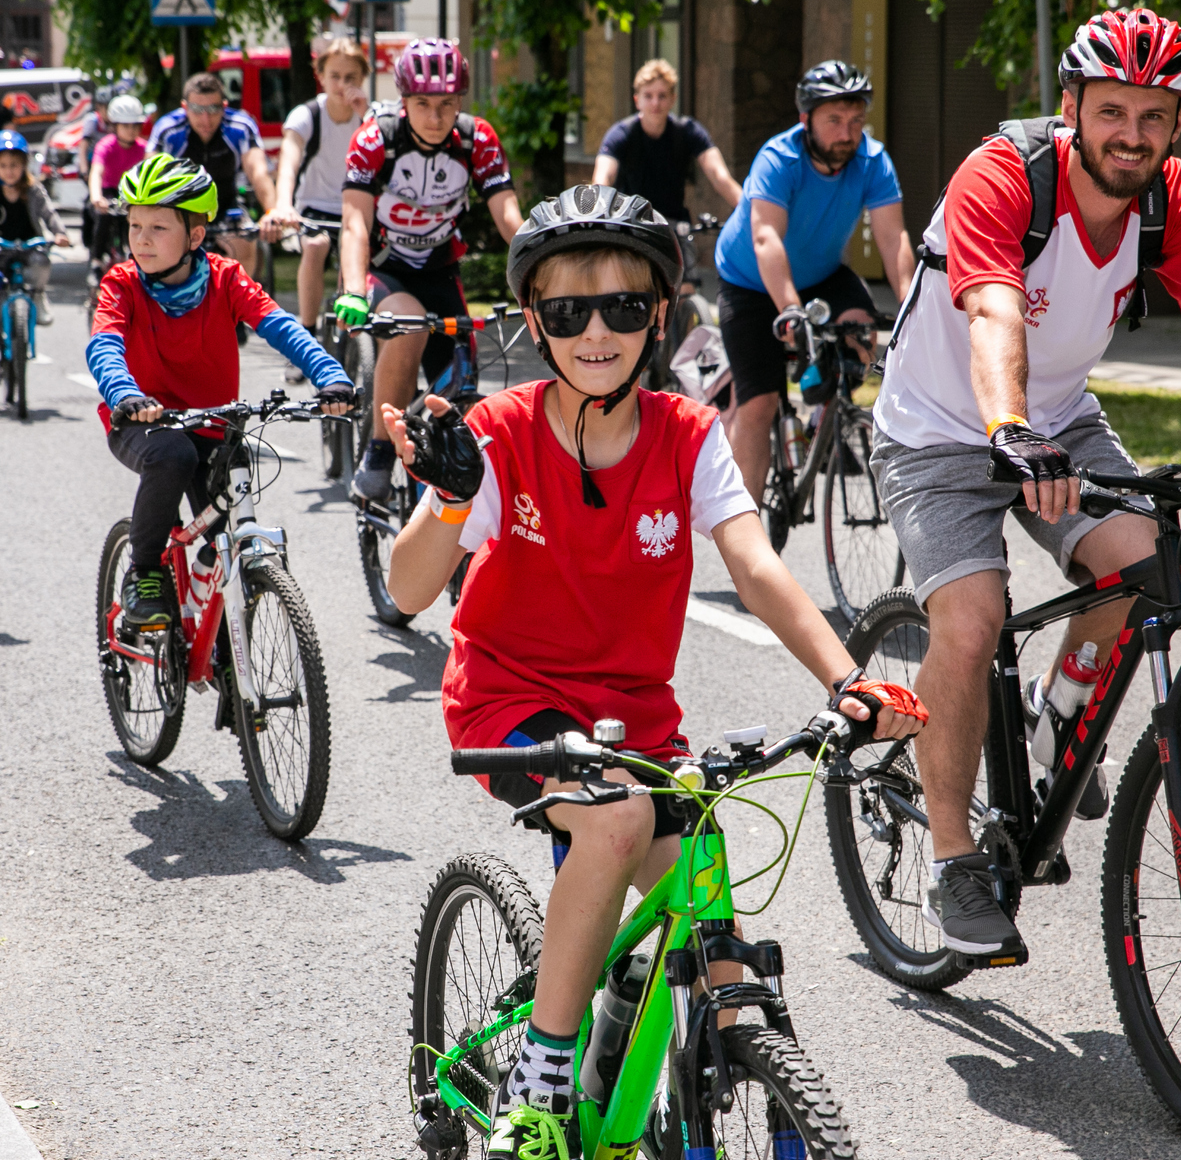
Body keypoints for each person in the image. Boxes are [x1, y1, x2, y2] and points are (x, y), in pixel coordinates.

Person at [378, 184, 928, 1158]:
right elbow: (409, 585)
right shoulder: (499, 431)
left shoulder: (684, 434)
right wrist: (452, 498)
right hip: (511, 704)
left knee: (708, 909)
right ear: (535, 323)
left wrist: (847, 681)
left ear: (658, 316)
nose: (597, 330)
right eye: (567, 311)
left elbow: (756, 567)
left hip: (633, 727)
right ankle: (543, 1084)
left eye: (623, 307)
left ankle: (693, 1066)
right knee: (622, 820)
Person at [871, 7, 1181, 962]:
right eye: (1113, 111)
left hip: (1056, 421)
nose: (1132, 135)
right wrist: (1009, 431)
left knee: (1151, 567)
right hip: (940, 431)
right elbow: (993, 309)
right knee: (974, 618)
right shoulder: (1004, 177)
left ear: (1180, 121)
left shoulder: (1169, 197)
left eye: (1155, 116)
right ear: (1072, 106)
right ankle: (953, 856)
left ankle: (1057, 715)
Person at [86, 154, 355, 625]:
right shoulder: (122, 284)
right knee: (173, 457)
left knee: (232, 507)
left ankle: (230, 646)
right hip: (144, 422)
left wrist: (329, 374)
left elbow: (281, 327)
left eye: (158, 228)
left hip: (214, 423)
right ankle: (144, 570)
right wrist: (124, 393)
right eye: (135, 226)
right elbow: (104, 347)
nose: (141, 240)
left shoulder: (226, 278)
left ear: (194, 236)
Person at [713, 59, 917, 500]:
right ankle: (742, 537)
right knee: (760, 405)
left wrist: (909, 303)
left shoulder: (872, 160)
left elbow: (892, 236)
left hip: (821, 276)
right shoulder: (779, 158)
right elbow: (766, 237)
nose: (847, 133)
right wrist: (789, 309)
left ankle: (819, 424)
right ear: (806, 120)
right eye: (834, 121)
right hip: (750, 281)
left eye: (856, 121)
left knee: (861, 334)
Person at [339, 39, 524, 502]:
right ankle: (379, 452)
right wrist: (354, 291)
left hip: (442, 271)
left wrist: (544, 276)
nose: (436, 117)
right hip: (385, 268)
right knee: (408, 330)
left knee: (460, 393)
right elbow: (355, 223)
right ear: (404, 101)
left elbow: (508, 218)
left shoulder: (476, 139)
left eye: (447, 104)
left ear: (461, 101)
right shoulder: (375, 139)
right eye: (423, 104)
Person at [261, 37, 369, 377]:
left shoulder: (372, 115)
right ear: (320, 75)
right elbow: (288, 165)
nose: (343, 85)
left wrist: (366, 114)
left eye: (351, 77)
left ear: (362, 78)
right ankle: (305, 336)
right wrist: (282, 206)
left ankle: (353, 341)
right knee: (317, 245)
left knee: (355, 265)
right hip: (314, 209)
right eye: (335, 76)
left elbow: (389, 157)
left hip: (358, 208)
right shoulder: (307, 115)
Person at [590, 58, 742, 291]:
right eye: (648, 95)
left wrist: (751, 211)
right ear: (636, 100)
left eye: (662, 95)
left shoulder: (688, 132)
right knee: (636, 290)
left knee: (687, 288)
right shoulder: (621, 134)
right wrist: (598, 215)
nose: (655, 103)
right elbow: (603, 178)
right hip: (631, 223)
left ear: (673, 99)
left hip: (674, 224)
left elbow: (719, 176)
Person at [148, 71, 273, 270]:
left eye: (214, 109)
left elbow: (258, 172)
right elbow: (151, 177)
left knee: (246, 244)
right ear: (184, 107)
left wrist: (272, 211)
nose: (206, 120)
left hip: (226, 204)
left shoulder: (240, 127)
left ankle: (239, 299)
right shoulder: (169, 130)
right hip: (181, 208)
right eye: (197, 110)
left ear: (225, 106)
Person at [0, 130, 69, 374]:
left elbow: (49, 213)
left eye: (14, 165)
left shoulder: (33, 189)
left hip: (29, 246)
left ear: (24, 165)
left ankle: (37, 294)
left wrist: (60, 234)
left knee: (42, 261)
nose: (9, 170)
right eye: (3, 165)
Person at [86, 94, 148, 266]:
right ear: (114, 125)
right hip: (109, 192)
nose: (131, 130)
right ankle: (96, 262)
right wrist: (97, 197)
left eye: (135, 125)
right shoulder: (105, 145)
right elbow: (96, 172)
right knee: (103, 218)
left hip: (133, 193)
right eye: (125, 125)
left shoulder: (144, 148)